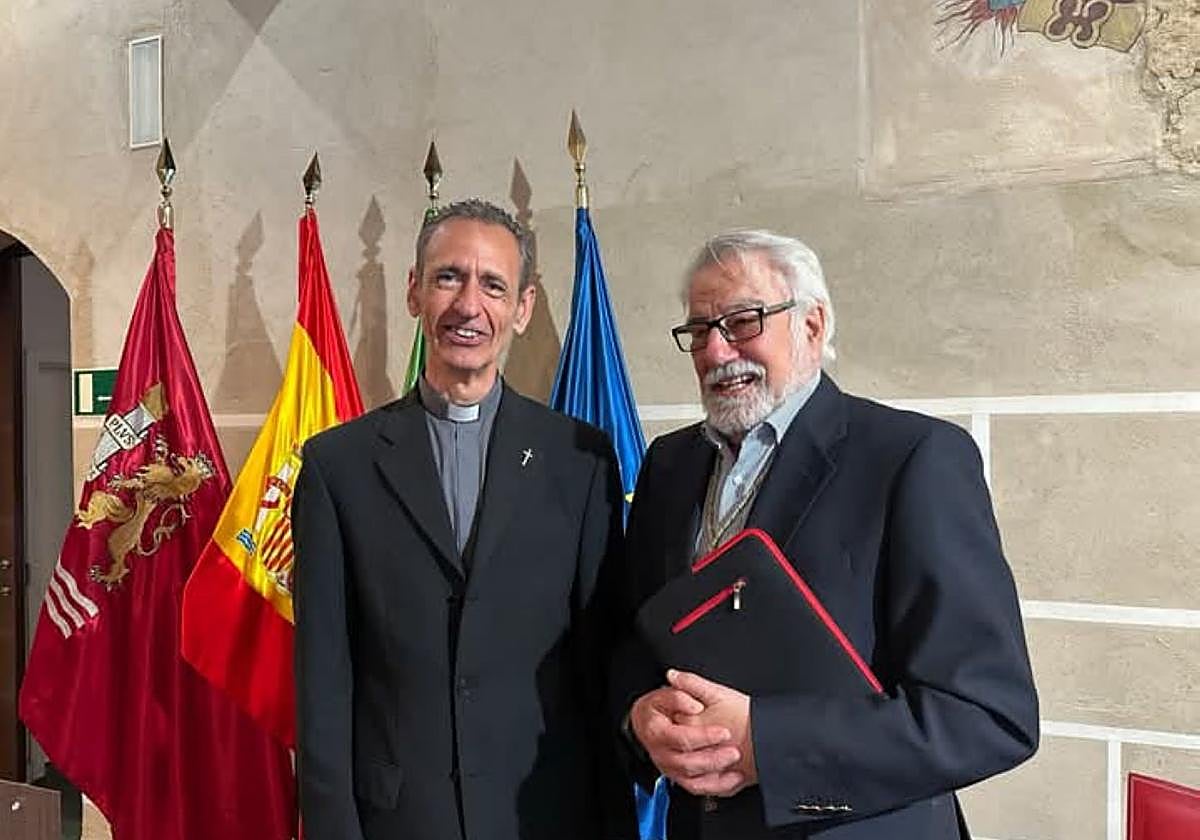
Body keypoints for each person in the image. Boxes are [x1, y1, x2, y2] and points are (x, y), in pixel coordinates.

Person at [613, 230, 1039, 838]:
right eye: (699, 330)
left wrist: (767, 745)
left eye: (743, 321)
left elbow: (988, 715)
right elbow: (636, 638)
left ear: (811, 326)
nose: (716, 350)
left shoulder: (914, 458)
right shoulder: (669, 465)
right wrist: (639, 717)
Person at [294, 199, 637, 840]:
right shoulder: (337, 467)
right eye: (448, 277)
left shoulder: (581, 462)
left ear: (523, 308)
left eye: (494, 285)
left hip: (545, 817)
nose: (468, 305)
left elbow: (602, 668)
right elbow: (323, 684)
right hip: (399, 820)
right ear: (414, 292)